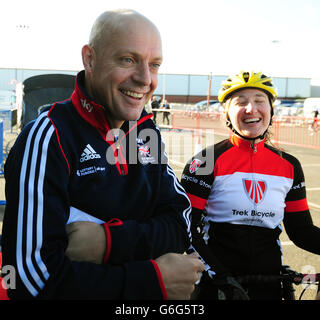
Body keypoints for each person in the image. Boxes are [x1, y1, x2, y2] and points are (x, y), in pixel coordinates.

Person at [1, 9, 204, 300]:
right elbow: (29, 279)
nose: (145, 79)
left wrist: (108, 242)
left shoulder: (146, 133)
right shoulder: (47, 136)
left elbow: (181, 222)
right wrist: (152, 281)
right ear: (90, 59)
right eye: (128, 60)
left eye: (155, 65)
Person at [181, 71, 320, 300]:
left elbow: (302, 231)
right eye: (240, 102)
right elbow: (185, 229)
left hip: (271, 285)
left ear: (271, 110)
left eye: (259, 100)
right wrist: (221, 277)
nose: (251, 108)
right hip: (218, 287)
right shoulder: (205, 161)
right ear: (227, 112)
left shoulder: (289, 166)